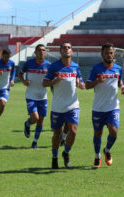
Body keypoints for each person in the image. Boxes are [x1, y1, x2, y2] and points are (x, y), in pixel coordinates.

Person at [43, 41, 85, 169]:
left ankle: (66, 153)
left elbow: (81, 82)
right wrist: (56, 80)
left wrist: (81, 84)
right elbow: (45, 83)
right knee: (57, 133)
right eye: (64, 48)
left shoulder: (75, 66)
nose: (67, 50)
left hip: (73, 105)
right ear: (60, 51)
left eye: (69, 48)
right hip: (58, 106)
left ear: (72, 51)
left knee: (73, 131)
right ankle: (54, 157)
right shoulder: (54, 67)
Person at [86, 43, 124, 167]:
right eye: (107, 53)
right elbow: (87, 86)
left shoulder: (118, 68)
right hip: (98, 108)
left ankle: (107, 150)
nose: (109, 55)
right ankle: (97, 155)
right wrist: (98, 81)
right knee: (98, 134)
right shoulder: (96, 69)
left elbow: (119, 80)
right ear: (102, 54)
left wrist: (122, 87)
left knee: (113, 132)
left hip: (113, 107)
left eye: (111, 53)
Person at [19, 44, 51, 149]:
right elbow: (20, 73)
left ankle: (35, 142)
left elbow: (51, 80)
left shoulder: (49, 65)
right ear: (35, 52)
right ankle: (27, 124)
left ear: (45, 53)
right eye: (39, 50)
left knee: (40, 121)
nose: (41, 52)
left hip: (43, 96)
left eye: (43, 50)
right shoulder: (28, 63)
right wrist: (24, 81)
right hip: (31, 95)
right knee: (35, 118)